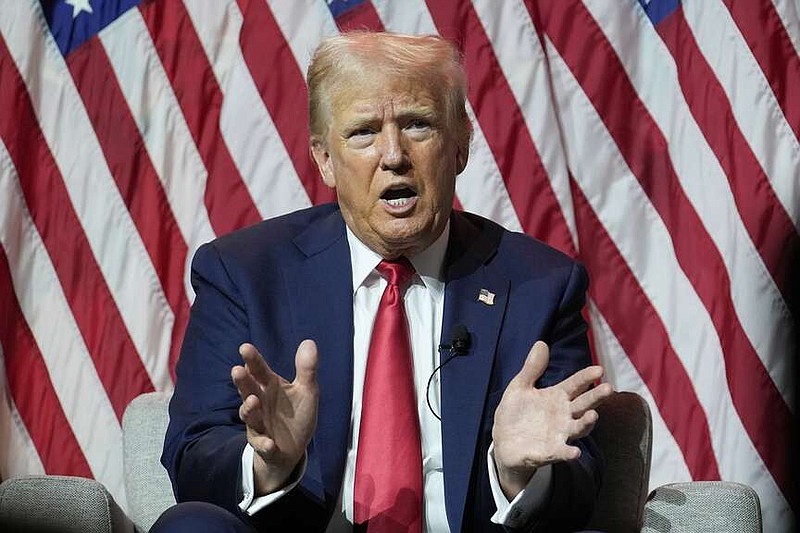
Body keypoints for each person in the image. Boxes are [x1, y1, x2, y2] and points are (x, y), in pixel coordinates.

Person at [155, 32, 613, 532]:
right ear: (324, 159)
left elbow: (581, 481)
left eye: (417, 124)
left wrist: (514, 473)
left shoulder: (539, 285)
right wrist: (268, 464)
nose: (393, 155)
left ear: (460, 145)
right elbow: (193, 451)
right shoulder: (245, 272)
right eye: (364, 132)